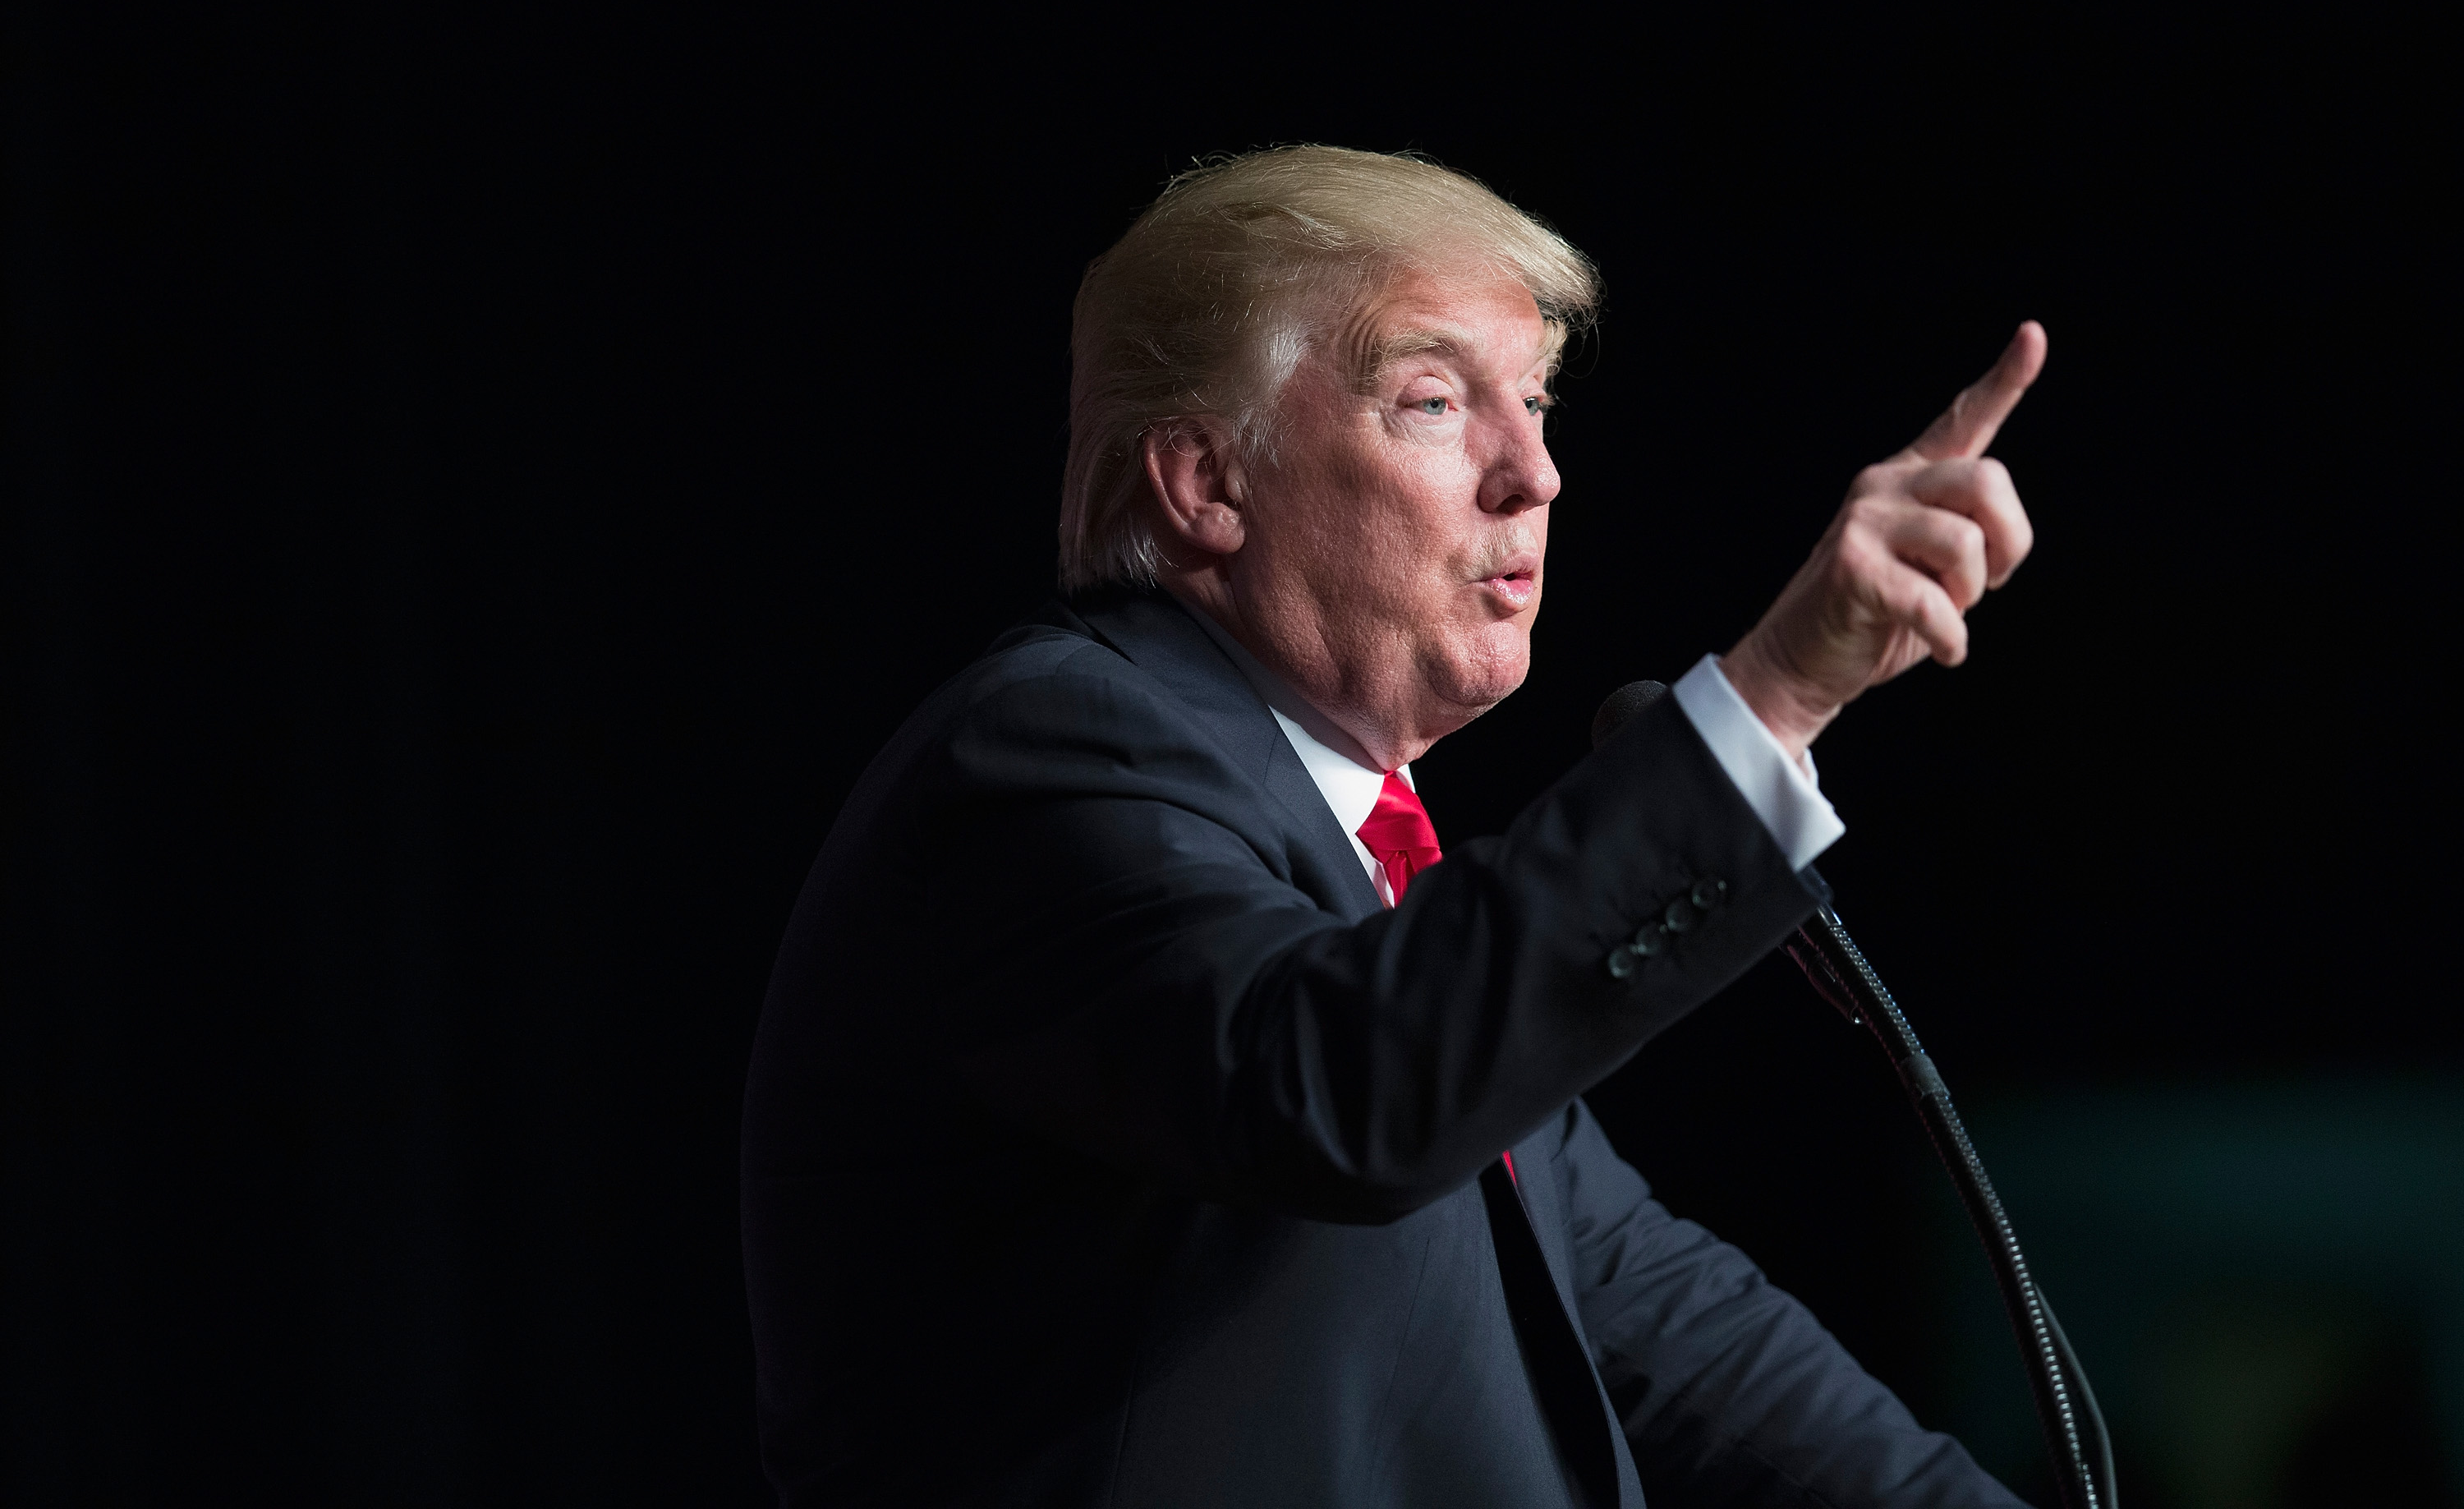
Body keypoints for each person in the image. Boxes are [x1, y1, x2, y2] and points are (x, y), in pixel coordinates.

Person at [741, 146, 2042, 1507]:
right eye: (1434, 402)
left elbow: (1655, 1306)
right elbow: (1338, 1081)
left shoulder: (1357, 861)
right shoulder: (1048, 757)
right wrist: (1770, 699)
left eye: (1535, 405)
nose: (1534, 473)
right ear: (1205, 482)